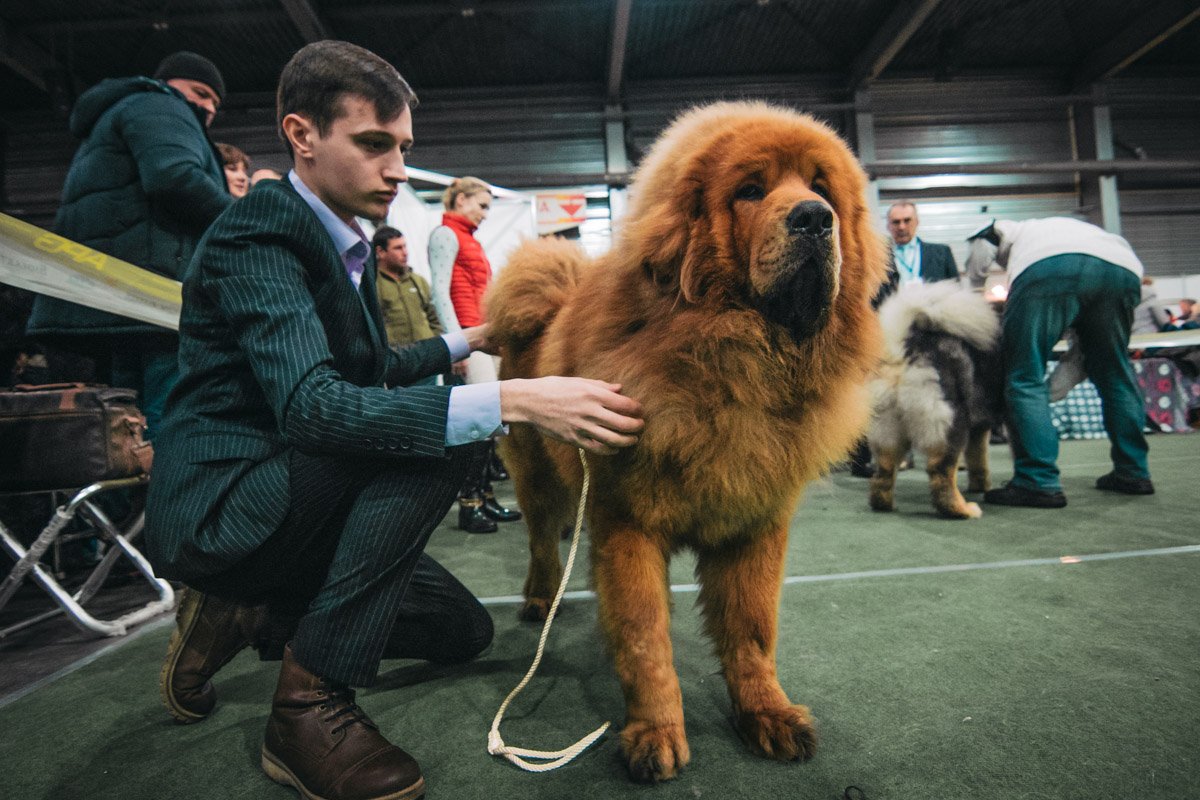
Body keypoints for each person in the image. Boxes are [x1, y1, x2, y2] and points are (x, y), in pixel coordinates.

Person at [144, 40, 643, 800]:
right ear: (302, 136)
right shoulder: (260, 233)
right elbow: (316, 408)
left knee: (462, 634)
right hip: (226, 508)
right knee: (444, 432)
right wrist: (515, 399)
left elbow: (366, 371)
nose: (399, 169)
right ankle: (307, 704)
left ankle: (252, 610)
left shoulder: (332, 240)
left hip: (292, 496)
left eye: (405, 148)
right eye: (374, 145)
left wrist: (467, 342)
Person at [24, 51, 232, 439]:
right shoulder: (160, 104)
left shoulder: (123, 113)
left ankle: (138, 499)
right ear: (168, 83)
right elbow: (175, 178)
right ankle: (169, 498)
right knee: (170, 417)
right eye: (200, 92)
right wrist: (248, 220)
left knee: (128, 422)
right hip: (156, 295)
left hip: (125, 298)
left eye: (214, 103)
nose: (206, 107)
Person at [971, 217, 1154, 508]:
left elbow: (980, 253)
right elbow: (1079, 359)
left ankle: (1038, 481)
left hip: (1047, 267)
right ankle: (1133, 472)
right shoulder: (1063, 227)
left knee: (1023, 375)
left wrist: (974, 291)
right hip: (1123, 268)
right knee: (1115, 373)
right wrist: (1054, 389)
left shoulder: (1002, 229)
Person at [428, 176, 520, 532]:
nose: (485, 214)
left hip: (483, 337)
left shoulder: (467, 239)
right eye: (481, 206)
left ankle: (483, 497)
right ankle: (470, 504)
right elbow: (439, 291)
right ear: (461, 199)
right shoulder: (445, 235)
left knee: (491, 422)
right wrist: (457, 343)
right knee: (478, 422)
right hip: (470, 338)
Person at [372, 225, 444, 386]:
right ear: (380, 252)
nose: (405, 252)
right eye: (398, 248)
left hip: (426, 360)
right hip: (398, 364)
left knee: (431, 407)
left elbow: (433, 316)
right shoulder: (372, 284)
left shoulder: (418, 281)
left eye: (405, 246)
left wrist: (435, 344)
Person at [882, 200, 960, 293]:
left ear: (917, 222)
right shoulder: (880, 259)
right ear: (888, 226)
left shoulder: (942, 253)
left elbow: (956, 291)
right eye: (896, 222)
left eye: (907, 220)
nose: (901, 227)